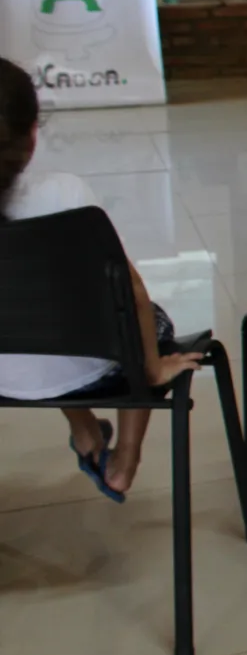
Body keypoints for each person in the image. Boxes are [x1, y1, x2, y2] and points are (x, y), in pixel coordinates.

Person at [0, 58, 202, 501]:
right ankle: (124, 461)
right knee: (130, 319)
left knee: (38, 315)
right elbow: (130, 294)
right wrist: (152, 368)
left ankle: (86, 432)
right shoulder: (65, 195)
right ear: (32, 134)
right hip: (80, 363)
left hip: (5, 372)